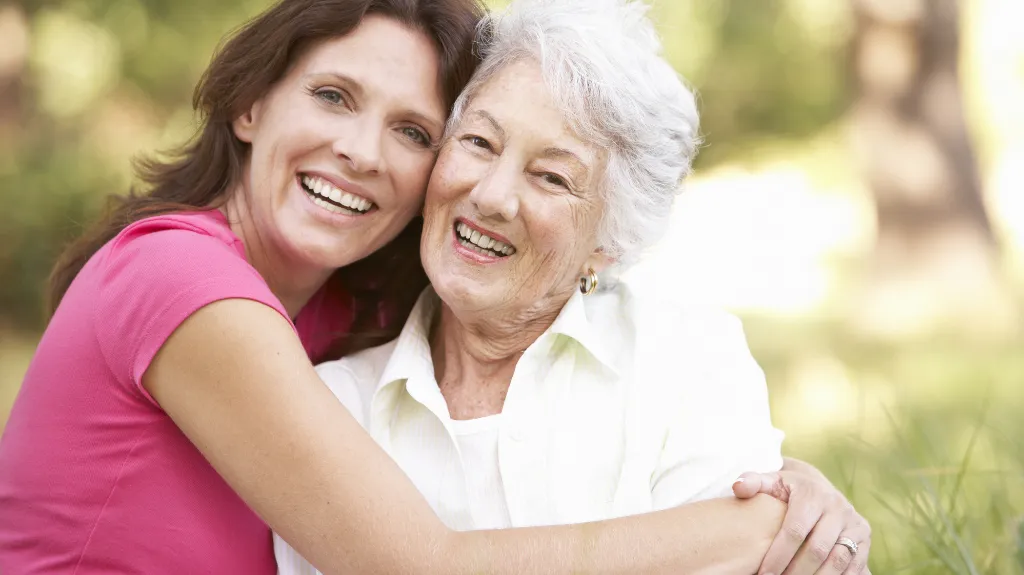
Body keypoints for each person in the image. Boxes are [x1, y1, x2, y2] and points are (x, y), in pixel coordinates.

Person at [0, 0, 867, 573]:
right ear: (250, 104)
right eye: (333, 96)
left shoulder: (344, 314)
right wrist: (754, 526)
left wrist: (794, 484)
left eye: (413, 130)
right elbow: (420, 566)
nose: (361, 151)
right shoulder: (181, 280)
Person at [274, 0, 871, 574]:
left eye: (552, 177)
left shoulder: (687, 361)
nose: (491, 196)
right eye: (479, 142)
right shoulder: (337, 404)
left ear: (608, 242)